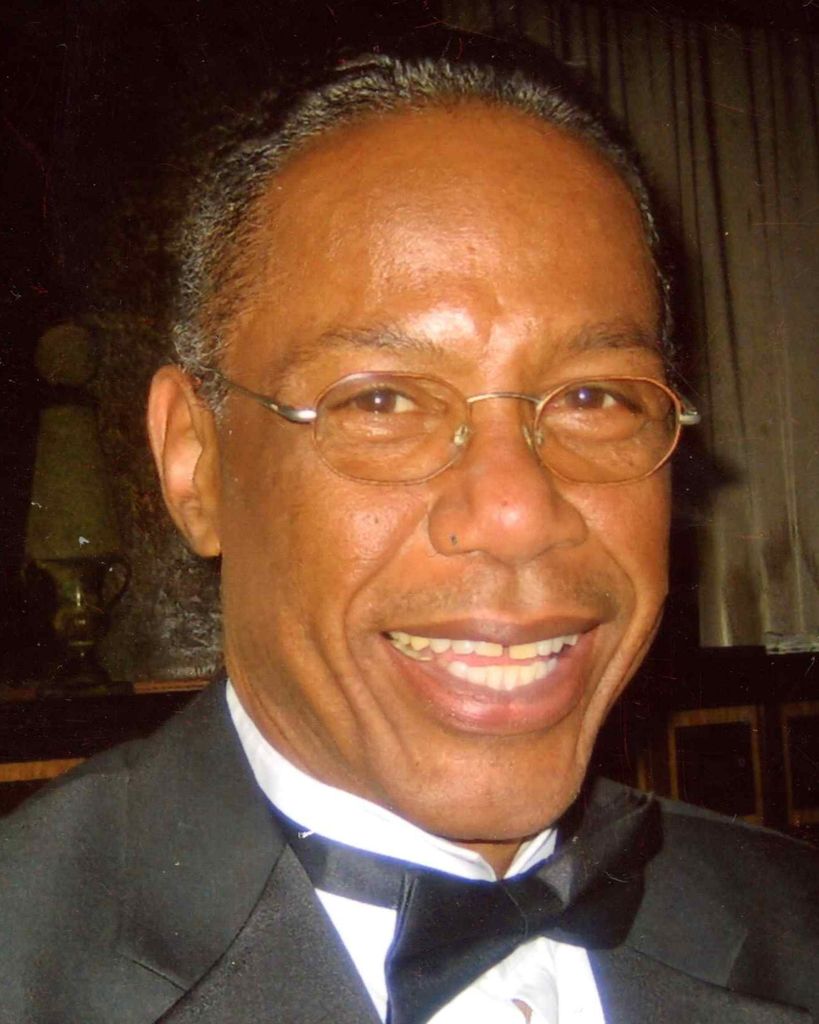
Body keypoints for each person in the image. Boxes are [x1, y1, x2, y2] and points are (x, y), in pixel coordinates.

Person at [1, 33, 816, 1024]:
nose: (516, 512)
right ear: (196, 462)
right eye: (381, 400)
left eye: (593, 396)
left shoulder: (792, 923)